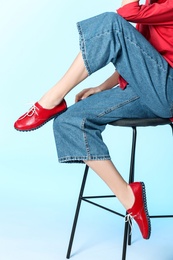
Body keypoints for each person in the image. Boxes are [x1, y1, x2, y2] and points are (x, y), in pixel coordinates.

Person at [14, 0, 173, 240]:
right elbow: (134, 57)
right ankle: (129, 198)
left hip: (168, 91)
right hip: (147, 89)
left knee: (111, 22)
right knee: (70, 120)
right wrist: (102, 87)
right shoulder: (152, 3)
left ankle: (50, 99)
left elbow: (126, 13)